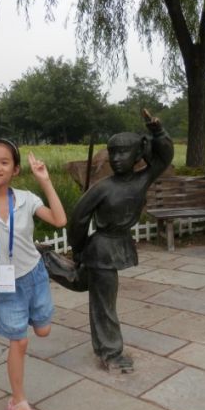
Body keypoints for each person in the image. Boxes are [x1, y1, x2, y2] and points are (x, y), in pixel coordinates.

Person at [44, 111, 173, 374]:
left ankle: (44, 258)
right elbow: (78, 219)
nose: (116, 158)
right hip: (101, 247)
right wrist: (79, 250)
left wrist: (157, 131)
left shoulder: (143, 178)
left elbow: (164, 157)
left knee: (82, 282)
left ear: (138, 154)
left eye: (123, 152)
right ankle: (110, 353)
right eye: (112, 153)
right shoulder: (102, 188)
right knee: (103, 302)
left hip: (118, 244)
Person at [0, 138, 66, 410]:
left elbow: (59, 220)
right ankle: (18, 401)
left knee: (43, 330)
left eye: (4, 162)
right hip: (3, 285)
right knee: (19, 340)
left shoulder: (26, 199)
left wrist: (44, 181)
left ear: (15, 169)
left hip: (34, 275)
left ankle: (26, 319)